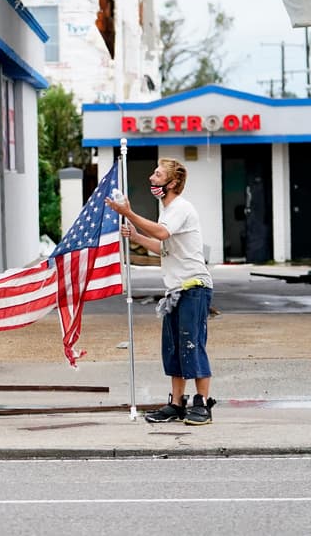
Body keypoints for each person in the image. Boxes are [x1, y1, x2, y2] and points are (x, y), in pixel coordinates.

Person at [106, 158, 216, 426]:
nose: (152, 179)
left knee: (192, 344)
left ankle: (202, 404)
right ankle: (177, 404)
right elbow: (162, 248)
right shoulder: (166, 210)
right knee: (174, 349)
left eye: (158, 175)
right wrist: (135, 236)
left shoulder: (180, 207)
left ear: (173, 182)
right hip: (175, 291)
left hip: (194, 287)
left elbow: (163, 234)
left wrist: (130, 213)